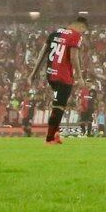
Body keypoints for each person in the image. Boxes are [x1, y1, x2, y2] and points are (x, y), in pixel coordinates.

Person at [30, 11, 88, 145]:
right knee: (59, 107)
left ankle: (55, 134)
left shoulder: (55, 33)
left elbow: (43, 52)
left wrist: (33, 73)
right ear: (80, 26)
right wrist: (79, 77)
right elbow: (74, 57)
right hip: (64, 76)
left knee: (59, 104)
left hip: (51, 74)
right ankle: (50, 138)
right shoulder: (76, 36)